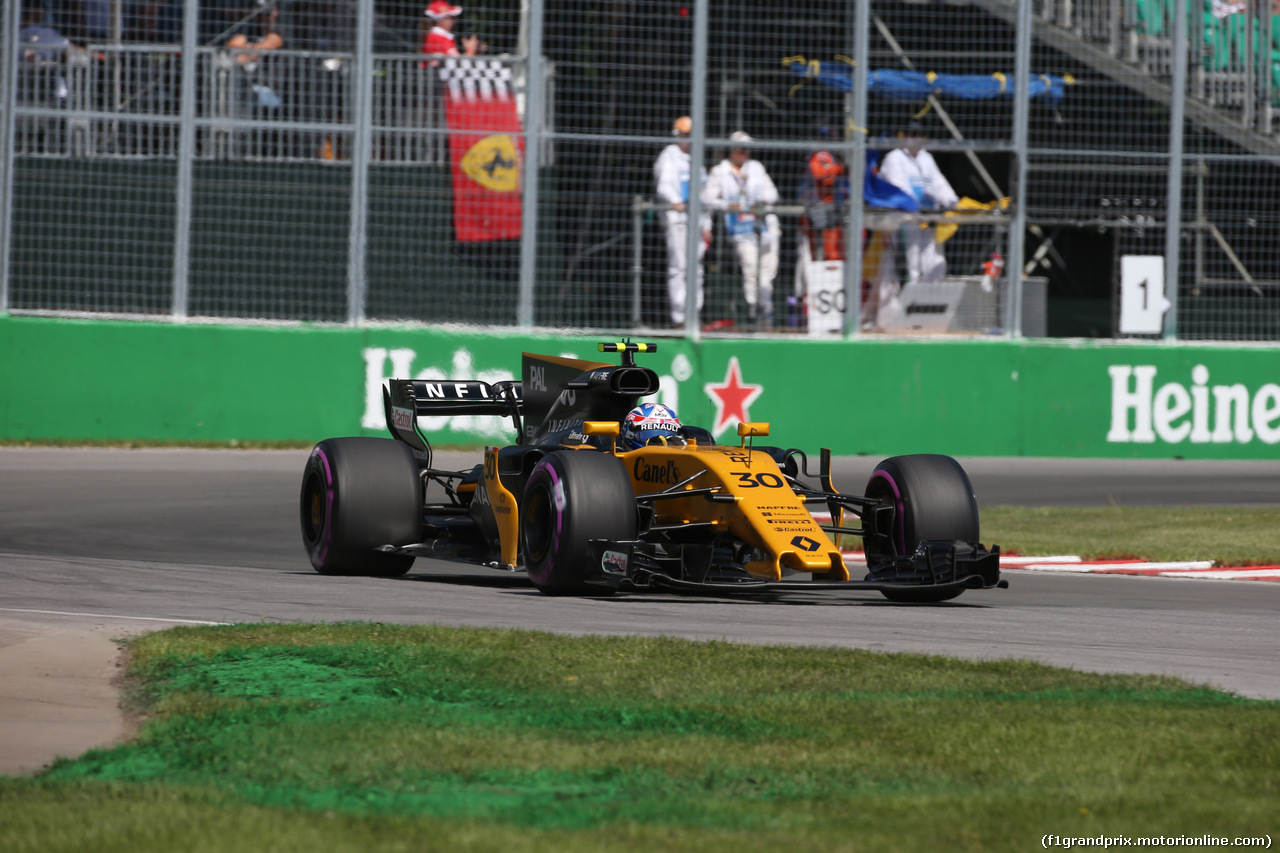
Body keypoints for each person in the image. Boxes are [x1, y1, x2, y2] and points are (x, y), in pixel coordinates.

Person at [703, 131, 782, 329]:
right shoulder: (720, 171)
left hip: (764, 227)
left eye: (746, 149)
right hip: (740, 229)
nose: (743, 153)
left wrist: (757, 200)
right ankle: (755, 309)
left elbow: (772, 194)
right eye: (739, 149)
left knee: (767, 272)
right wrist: (729, 205)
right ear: (731, 149)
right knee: (750, 268)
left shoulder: (756, 168)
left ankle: (766, 311)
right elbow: (707, 200)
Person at [876, 120, 959, 288]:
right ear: (902, 136)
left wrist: (952, 202)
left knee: (934, 262)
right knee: (910, 263)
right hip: (905, 220)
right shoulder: (894, 158)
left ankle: (932, 300)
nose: (916, 140)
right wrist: (917, 206)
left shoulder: (926, 157)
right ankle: (907, 301)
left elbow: (939, 182)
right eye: (912, 135)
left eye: (920, 135)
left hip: (928, 218)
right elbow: (898, 186)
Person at [653, 115, 711, 329]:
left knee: (696, 269)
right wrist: (676, 201)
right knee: (679, 267)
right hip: (677, 220)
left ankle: (694, 315)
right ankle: (679, 317)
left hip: (696, 221)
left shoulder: (697, 159)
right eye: (686, 135)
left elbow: (704, 194)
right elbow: (664, 185)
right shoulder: (669, 155)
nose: (689, 139)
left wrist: (707, 225)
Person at [621, 403, 686, 450]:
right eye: (647, 435)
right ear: (629, 434)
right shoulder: (615, 463)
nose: (661, 443)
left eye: (668, 439)